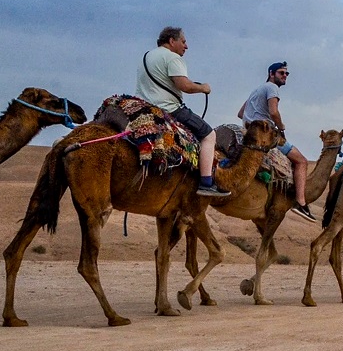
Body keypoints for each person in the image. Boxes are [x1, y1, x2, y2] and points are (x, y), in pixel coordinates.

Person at [135, 26, 228, 197]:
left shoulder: (147, 56)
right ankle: (206, 182)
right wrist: (203, 88)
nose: (186, 46)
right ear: (172, 41)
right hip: (168, 109)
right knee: (209, 135)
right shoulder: (172, 58)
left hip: (144, 109)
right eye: (183, 42)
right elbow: (184, 86)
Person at [238, 62, 316, 223]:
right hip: (265, 135)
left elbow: (240, 113)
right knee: (301, 161)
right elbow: (274, 112)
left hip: (248, 132)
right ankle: (300, 202)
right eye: (281, 73)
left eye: (287, 74)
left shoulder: (257, 90)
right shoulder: (272, 88)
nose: (285, 76)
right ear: (271, 73)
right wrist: (280, 127)